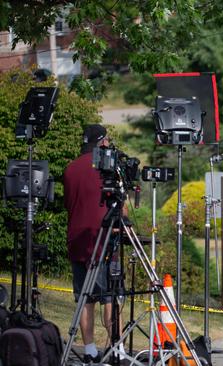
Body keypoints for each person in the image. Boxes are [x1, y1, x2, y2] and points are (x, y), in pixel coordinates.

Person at [63, 124, 123, 363]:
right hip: (105, 239)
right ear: (102, 143)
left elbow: (69, 203)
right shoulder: (107, 168)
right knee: (110, 297)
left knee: (84, 298)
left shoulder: (70, 169)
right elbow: (119, 204)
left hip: (78, 240)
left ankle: (89, 349)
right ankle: (117, 349)